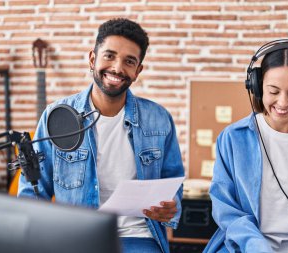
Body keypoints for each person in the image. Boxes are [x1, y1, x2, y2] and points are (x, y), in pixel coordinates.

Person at [18, 18, 185, 253]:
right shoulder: (55, 117)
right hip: (76, 238)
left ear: (138, 71)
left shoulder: (158, 119)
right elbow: (33, 189)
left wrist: (171, 206)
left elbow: (173, 184)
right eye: (109, 56)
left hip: (138, 237)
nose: (117, 68)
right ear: (92, 59)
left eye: (129, 61)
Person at [203, 40, 288, 253]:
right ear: (257, 87)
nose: (283, 102)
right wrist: (257, 248)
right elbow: (226, 208)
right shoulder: (232, 139)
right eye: (273, 91)